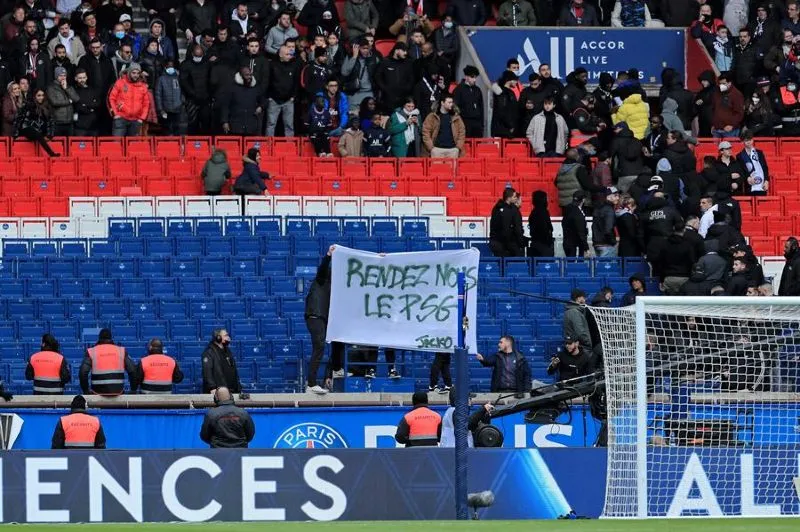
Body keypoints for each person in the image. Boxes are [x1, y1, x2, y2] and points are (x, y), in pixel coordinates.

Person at [305, 245, 345, 394]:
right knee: (319, 346)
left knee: (339, 338)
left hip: (325, 317)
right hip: (315, 315)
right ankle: (311, 384)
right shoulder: (322, 280)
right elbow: (322, 269)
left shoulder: (336, 287)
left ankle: (336, 369)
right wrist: (328, 255)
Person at [79, 328, 137, 396]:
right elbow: (133, 371)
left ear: (99, 338)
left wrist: (86, 391)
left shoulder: (92, 351)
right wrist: (133, 390)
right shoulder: (121, 351)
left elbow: (83, 373)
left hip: (98, 392)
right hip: (118, 391)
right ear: (111, 338)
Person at [108, 62, 150, 137]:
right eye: (133, 73)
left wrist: (141, 118)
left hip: (136, 120)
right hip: (120, 118)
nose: (136, 75)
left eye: (138, 73)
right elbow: (111, 98)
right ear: (129, 72)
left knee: (132, 146)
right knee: (117, 145)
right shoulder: (120, 83)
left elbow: (146, 103)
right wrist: (115, 114)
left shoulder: (143, 86)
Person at [13, 89, 59, 157]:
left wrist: (50, 135)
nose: (41, 97)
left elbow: (51, 121)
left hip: (39, 132)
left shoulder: (47, 106)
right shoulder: (28, 105)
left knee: (39, 134)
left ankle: (51, 153)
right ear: (35, 96)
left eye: (43, 95)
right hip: (26, 129)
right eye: (39, 95)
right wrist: (15, 134)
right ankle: (51, 153)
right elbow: (18, 119)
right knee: (36, 133)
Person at [421, 93, 465, 158]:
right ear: (442, 103)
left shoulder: (456, 117)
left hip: (453, 150)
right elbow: (425, 132)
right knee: (437, 168)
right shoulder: (432, 116)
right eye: (449, 102)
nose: (451, 104)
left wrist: (457, 148)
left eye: (452, 102)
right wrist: (431, 148)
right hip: (436, 150)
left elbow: (462, 132)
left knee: (452, 168)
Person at [201, 329, 242, 394]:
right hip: (219, 392)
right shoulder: (209, 352)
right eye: (226, 335)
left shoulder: (227, 350)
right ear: (218, 338)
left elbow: (233, 369)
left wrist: (238, 387)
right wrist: (212, 387)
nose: (228, 337)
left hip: (231, 390)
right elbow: (207, 371)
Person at [489, 187, 524, 257]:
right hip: (502, 244)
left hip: (495, 241)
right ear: (508, 198)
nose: (516, 198)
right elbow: (506, 229)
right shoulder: (508, 210)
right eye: (514, 197)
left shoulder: (496, 207)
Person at [453, 65, 483, 138]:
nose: (474, 79)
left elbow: (481, 107)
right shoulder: (459, 89)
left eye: (475, 77)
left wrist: (481, 124)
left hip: (477, 123)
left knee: (477, 144)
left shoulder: (477, 90)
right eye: (472, 77)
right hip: (464, 122)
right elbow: (455, 107)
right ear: (466, 77)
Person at [736, 131, 769, 195]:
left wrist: (766, 181)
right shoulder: (740, 156)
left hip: (762, 184)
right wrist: (747, 178)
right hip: (749, 185)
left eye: (750, 139)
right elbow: (741, 170)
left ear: (753, 140)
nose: (749, 142)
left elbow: (765, 167)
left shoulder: (759, 153)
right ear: (743, 142)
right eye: (746, 140)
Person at [592, 187, 619, 257]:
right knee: (609, 267)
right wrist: (613, 242)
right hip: (606, 244)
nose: (618, 198)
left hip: (597, 243)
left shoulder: (597, 208)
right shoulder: (609, 210)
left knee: (601, 267)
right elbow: (608, 229)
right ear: (608, 197)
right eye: (615, 195)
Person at [562, 190, 589, 257]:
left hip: (567, 242)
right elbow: (581, 232)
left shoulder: (568, 209)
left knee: (570, 265)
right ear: (583, 200)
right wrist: (586, 248)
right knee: (578, 266)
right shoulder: (578, 213)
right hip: (576, 245)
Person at [528, 190, 554, 257]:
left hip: (535, 243)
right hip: (543, 245)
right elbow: (544, 228)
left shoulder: (534, 212)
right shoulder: (543, 212)